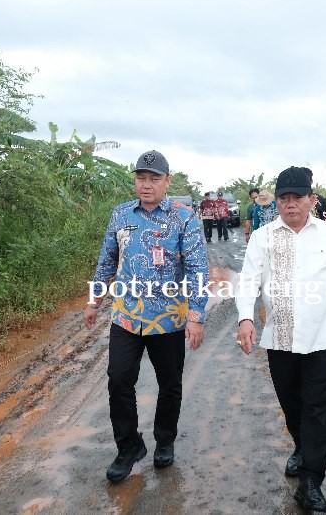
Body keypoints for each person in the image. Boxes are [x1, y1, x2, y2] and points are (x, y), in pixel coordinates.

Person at [235, 166, 326, 513]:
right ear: (276, 202)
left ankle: (311, 481)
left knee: (317, 407)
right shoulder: (264, 237)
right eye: (284, 198)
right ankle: (302, 448)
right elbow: (248, 282)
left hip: (321, 337)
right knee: (293, 405)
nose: (290, 204)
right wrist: (245, 317)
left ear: (311, 200)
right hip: (280, 338)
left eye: (297, 197)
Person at [83, 149, 209, 483]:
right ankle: (128, 447)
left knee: (170, 384)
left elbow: (197, 267)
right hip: (125, 315)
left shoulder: (184, 217)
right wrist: (94, 300)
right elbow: (107, 259)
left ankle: (164, 440)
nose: (147, 184)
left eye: (154, 178)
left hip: (168, 318)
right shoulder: (121, 214)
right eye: (141, 178)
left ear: (167, 181)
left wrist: (196, 316)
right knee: (119, 379)